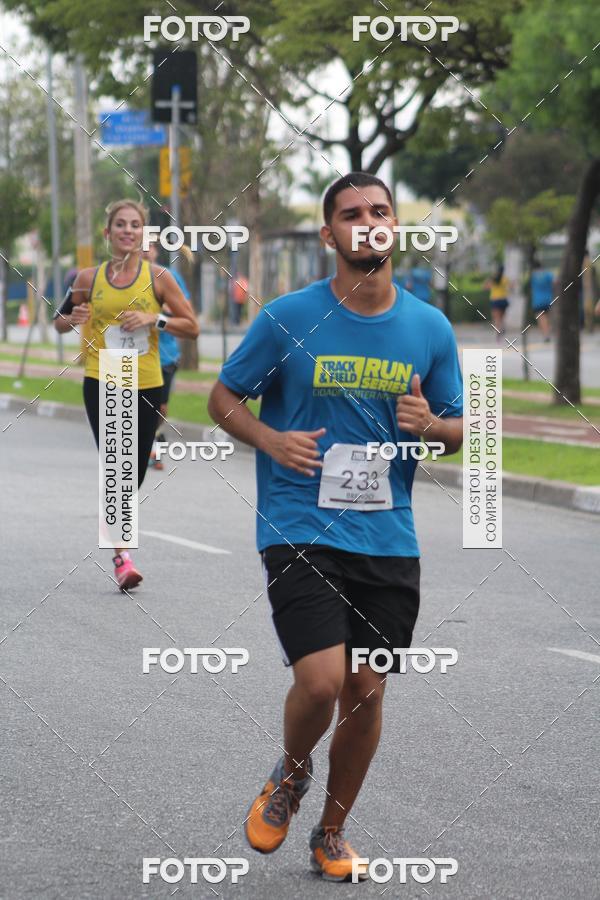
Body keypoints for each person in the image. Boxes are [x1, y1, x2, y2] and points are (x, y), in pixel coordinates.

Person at [208, 172, 463, 881]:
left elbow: (464, 432)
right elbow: (223, 396)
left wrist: (431, 425)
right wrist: (269, 439)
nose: (369, 222)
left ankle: (332, 832)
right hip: (299, 523)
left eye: (381, 210)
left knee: (366, 689)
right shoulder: (289, 316)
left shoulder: (430, 327)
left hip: (387, 537)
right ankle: (291, 775)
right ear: (330, 235)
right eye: (352, 214)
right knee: (321, 682)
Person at [53, 199, 199, 590]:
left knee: (133, 469)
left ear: (143, 233)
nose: (128, 231)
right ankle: (122, 556)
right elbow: (58, 323)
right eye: (120, 224)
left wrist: (156, 318)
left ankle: (115, 521)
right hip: (103, 375)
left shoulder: (159, 278)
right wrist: (73, 319)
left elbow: (191, 326)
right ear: (108, 233)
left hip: (146, 377)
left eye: (135, 225)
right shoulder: (88, 277)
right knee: (117, 466)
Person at [142, 240, 188, 471]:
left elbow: (185, 313)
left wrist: (156, 314)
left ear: (156, 250)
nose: (145, 250)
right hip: (134, 356)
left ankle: (151, 441)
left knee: (160, 408)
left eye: (149, 246)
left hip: (165, 355)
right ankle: (152, 448)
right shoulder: (122, 280)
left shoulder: (169, 278)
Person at [529, 259, 555, 342]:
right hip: (548, 299)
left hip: (538, 301)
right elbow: (555, 282)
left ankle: (546, 335)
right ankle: (549, 330)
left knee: (541, 318)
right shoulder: (548, 274)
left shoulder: (532, 275)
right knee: (548, 317)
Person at [485, 264, 511, 339]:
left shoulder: (493, 279)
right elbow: (511, 287)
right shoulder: (505, 279)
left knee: (496, 318)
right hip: (503, 300)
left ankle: (498, 332)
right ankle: (502, 328)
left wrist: (488, 279)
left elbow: (485, 287)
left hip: (495, 300)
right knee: (502, 318)